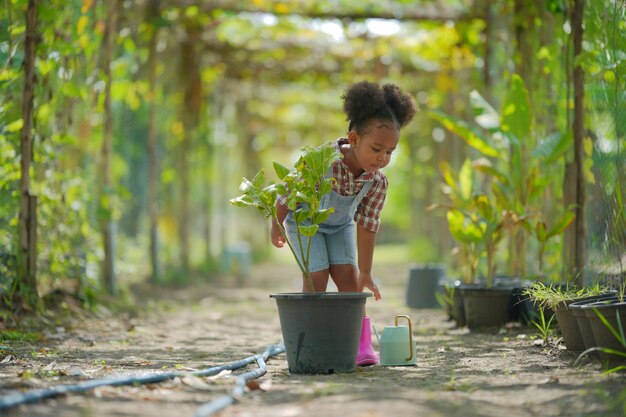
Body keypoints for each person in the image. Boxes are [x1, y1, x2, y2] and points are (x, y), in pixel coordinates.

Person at [270, 80, 417, 365]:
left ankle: (359, 347)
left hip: (340, 227)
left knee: (351, 284)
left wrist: (366, 272)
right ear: (354, 138)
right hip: (304, 223)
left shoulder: (376, 182)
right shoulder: (323, 160)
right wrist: (277, 223)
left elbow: (367, 225)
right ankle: (311, 341)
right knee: (317, 277)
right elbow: (288, 189)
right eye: (376, 149)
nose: (383, 158)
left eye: (390, 152)